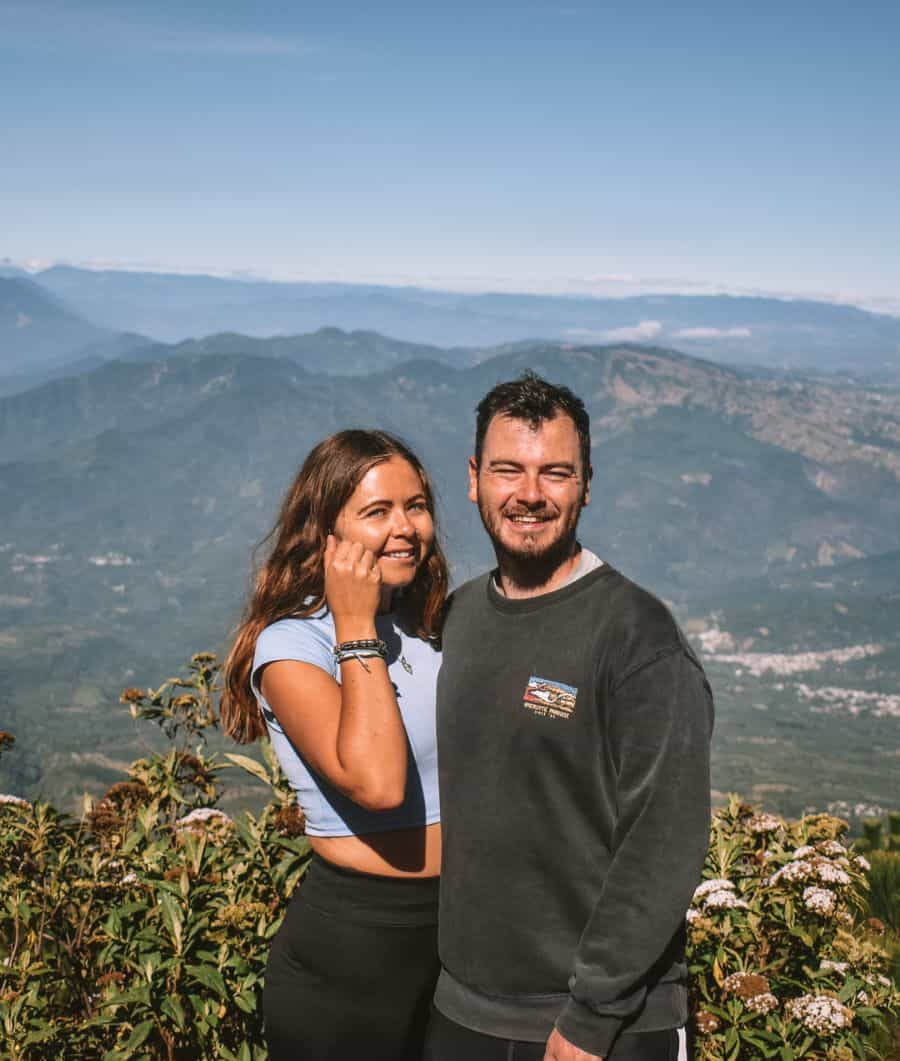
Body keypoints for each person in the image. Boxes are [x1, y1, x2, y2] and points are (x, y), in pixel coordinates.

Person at [424, 374, 714, 1061]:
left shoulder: (637, 637)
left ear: (586, 484)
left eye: (556, 472)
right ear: (474, 479)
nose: (530, 493)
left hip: (599, 1031)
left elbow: (663, 841)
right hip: (464, 1011)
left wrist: (590, 1016)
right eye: (508, 470)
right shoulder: (460, 616)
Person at [220, 429, 448, 1061]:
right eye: (377, 512)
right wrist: (353, 622)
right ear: (326, 533)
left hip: (457, 937)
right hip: (354, 951)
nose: (405, 527)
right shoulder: (294, 647)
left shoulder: (425, 626)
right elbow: (376, 784)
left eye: (416, 506)